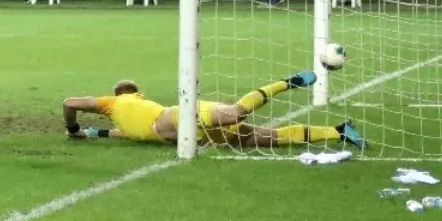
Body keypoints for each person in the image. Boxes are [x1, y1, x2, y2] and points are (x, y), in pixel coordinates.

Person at [60, 74, 366, 149]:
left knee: (235, 114)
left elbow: (69, 103)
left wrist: (72, 128)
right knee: (264, 139)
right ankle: (339, 131)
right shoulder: (121, 123)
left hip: (175, 117)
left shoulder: (115, 102)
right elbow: (117, 132)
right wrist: (87, 133)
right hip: (188, 135)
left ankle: (287, 82)